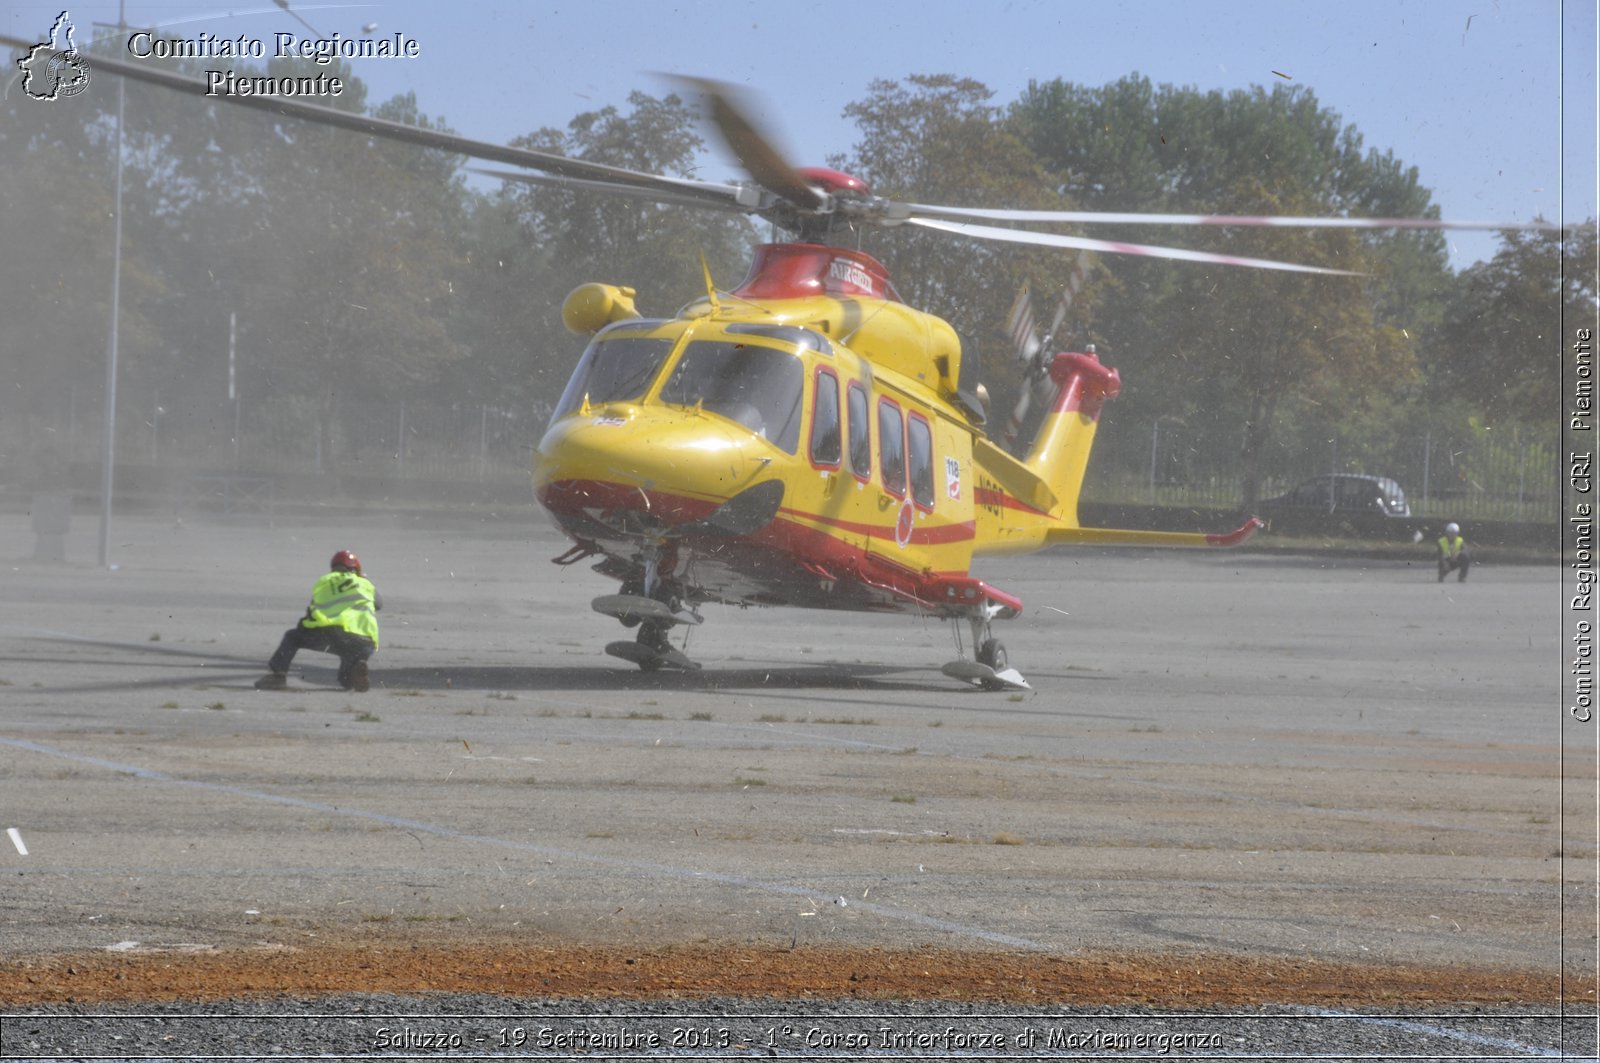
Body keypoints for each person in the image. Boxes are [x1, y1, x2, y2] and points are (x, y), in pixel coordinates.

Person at [255, 550, 381, 691]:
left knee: (292, 637)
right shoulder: (365, 583)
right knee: (346, 681)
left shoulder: (325, 581)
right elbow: (378, 604)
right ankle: (357, 667)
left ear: (334, 567)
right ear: (356, 569)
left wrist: (304, 627)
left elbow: (314, 611)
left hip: (333, 635)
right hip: (363, 643)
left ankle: (277, 676)